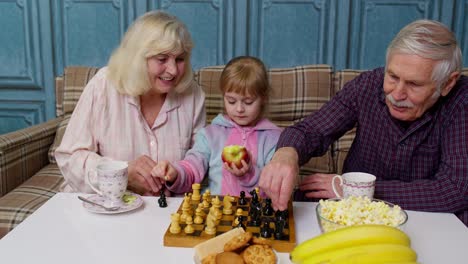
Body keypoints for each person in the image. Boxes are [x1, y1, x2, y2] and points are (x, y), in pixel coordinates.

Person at [259, 19, 468, 226]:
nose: (397, 93)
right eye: (393, 76)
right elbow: (311, 130)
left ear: (448, 83)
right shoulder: (368, 84)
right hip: (353, 215)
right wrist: (286, 153)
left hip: (428, 219)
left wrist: (354, 190)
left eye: (414, 84)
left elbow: (456, 189)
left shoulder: (462, 101)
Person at [55, 11, 206, 196]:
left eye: (180, 59)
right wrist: (121, 173)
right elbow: (70, 158)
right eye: (162, 59)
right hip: (107, 205)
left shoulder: (193, 94)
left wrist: (177, 176)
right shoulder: (103, 85)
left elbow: (200, 158)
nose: (173, 70)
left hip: (166, 211)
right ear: (138, 58)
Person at [151, 56, 282, 196]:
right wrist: (175, 173)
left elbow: (275, 186)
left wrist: (249, 173)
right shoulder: (211, 134)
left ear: (263, 99)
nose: (239, 109)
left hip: (256, 213)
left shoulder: (275, 139)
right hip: (217, 211)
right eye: (231, 101)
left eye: (248, 102)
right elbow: (192, 167)